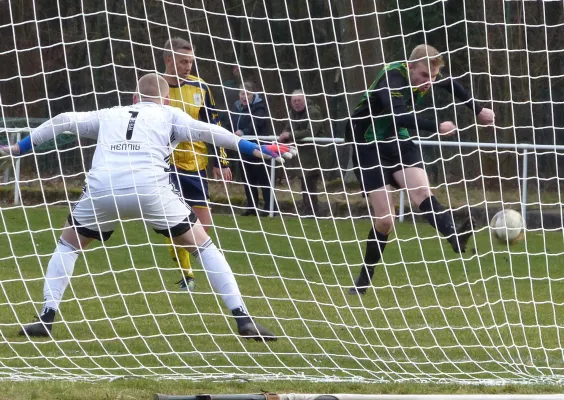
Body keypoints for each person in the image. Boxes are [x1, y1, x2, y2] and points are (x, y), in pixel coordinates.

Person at [3, 74, 295, 341]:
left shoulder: (109, 114)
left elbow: (64, 119)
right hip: (150, 189)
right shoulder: (170, 113)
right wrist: (256, 148)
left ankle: (46, 317)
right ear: (166, 99)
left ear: (134, 98)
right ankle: (243, 318)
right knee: (203, 246)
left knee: (68, 245)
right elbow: (211, 131)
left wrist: (19, 148)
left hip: (103, 188)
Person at [347, 44, 495, 295]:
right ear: (411, 66)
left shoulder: (427, 76)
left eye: (433, 76)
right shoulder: (392, 78)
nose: (429, 82)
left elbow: (452, 85)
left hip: (397, 140)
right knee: (385, 220)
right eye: (425, 76)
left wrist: (478, 109)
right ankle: (364, 278)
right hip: (368, 144)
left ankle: (454, 236)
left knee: (422, 193)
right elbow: (398, 115)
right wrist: (436, 125)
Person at [162, 38, 232, 292]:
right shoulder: (155, 87)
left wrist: (221, 161)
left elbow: (215, 126)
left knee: (203, 222)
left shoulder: (201, 87)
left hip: (197, 163)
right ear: (168, 60)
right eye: (182, 61)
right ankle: (187, 274)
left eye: (190, 61)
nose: (187, 65)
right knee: (172, 219)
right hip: (165, 163)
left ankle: (195, 264)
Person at [279, 90, 326, 217]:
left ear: (304, 100)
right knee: (304, 182)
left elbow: (310, 132)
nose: (297, 103)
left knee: (310, 183)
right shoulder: (292, 114)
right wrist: (284, 134)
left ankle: (312, 210)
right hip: (300, 155)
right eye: (294, 101)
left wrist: (290, 135)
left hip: (314, 154)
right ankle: (308, 209)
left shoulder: (314, 112)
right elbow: (288, 127)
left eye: (299, 100)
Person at [230, 81, 272, 216]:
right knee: (248, 179)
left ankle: (270, 208)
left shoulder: (259, 108)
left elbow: (257, 123)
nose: (244, 96)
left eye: (247, 93)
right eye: (242, 93)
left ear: (252, 94)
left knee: (263, 179)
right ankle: (251, 206)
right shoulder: (236, 107)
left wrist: (243, 132)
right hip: (243, 148)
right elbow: (232, 122)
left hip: (260, 147)